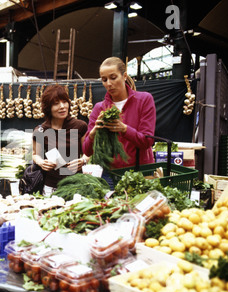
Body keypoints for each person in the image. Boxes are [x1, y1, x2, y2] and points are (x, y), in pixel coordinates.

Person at [83, 57, 156, 185]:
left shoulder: (144, 100)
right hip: (109, 174)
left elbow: (147, 141)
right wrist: (93, 133)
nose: (108, 84)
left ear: (124, 76)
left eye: (113, 77)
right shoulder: (99, 108)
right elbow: (87, 150)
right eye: (104, 80)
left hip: (140, 173)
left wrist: (124, 129)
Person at [32, 84, 89, 195]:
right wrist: (41, 162)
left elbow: (88, 152)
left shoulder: (80, 126)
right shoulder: (40, 130)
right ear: (48, 107)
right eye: (56, 104)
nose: (62, 106)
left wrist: (83, 160)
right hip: (51, 187)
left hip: (76, 185)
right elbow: (35, 154)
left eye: (64, 101)